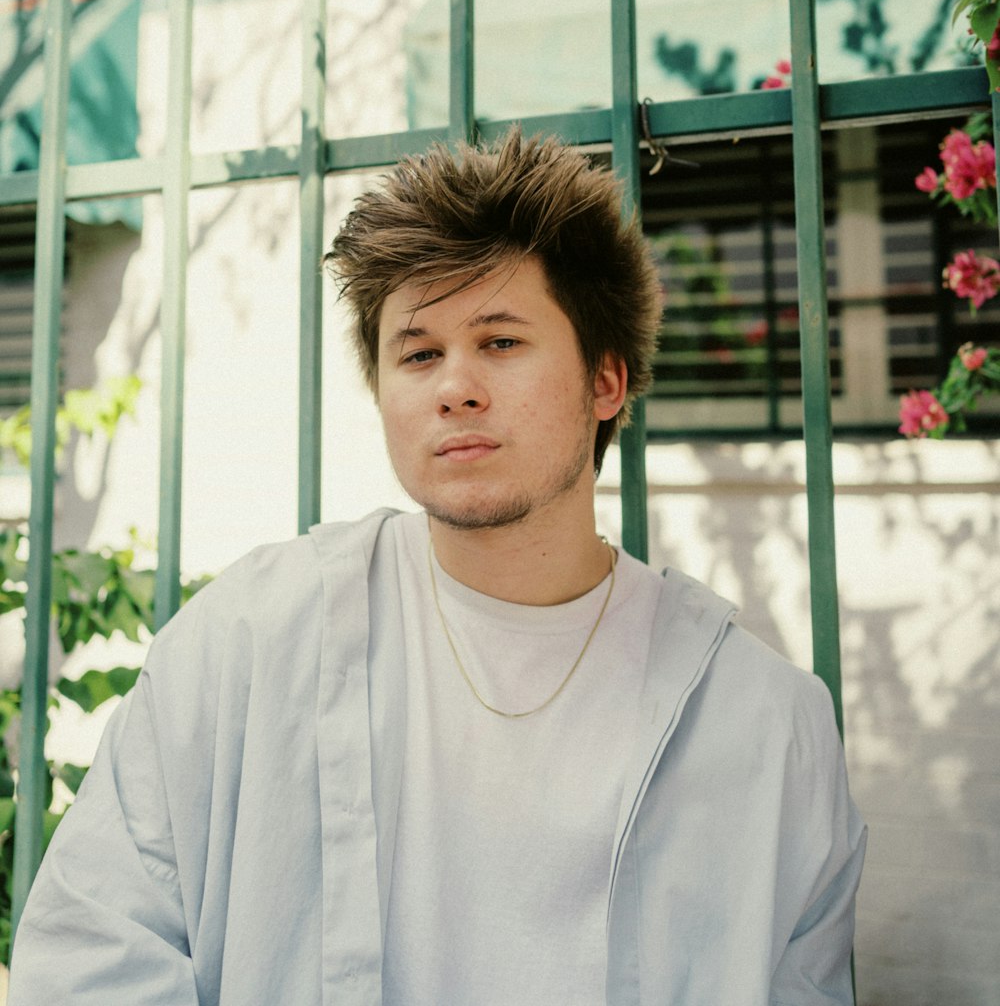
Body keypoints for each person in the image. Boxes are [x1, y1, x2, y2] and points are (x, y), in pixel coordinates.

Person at [9, 128, 866, 1005]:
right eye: (418, 354)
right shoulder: (250, 640)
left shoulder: (764, 728)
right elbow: (88, 953)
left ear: (607, 380)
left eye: (500, 341)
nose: (455, 385)